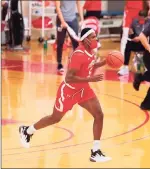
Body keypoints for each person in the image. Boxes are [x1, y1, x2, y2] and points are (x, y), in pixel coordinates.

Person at [19, 28, 112, 163]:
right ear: (85, 39)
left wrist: (104, 62)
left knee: (99, 115)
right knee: (54, 118)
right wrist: (90, 80)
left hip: (83, 90)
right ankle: (27, 131)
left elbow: (90, 65)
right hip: (69, 91)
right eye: (93, 37)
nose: (96, 39)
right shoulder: (78, 54)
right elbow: (69, 78)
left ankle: (95, 151)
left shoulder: (90, 52)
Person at [119, 0, 150, 74]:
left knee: (140, 37)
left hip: (139, 10)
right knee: (125, 37)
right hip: (128, 11)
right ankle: (124, 65)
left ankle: (139, 63)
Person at [56, 0, 84, 73]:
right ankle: (59, 64)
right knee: (60, 42)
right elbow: (58, 8)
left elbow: (78, 4)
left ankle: (76, 65)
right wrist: (62, 21)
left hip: (73, 20)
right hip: (61, 19)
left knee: (76, 43)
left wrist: (82, 19)